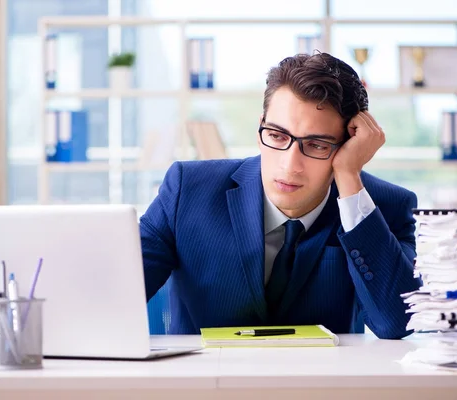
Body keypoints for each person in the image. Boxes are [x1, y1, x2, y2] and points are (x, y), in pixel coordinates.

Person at [140, 52, 422, 339]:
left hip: (321, 382)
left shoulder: (381, 208)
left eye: (316, 145)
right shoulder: (187, 191)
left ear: (349, 144)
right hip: (201, 381)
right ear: (261, 124)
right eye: (276, 136)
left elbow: (396, 322)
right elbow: (113, 293)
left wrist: (349, 176)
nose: (290, 165)